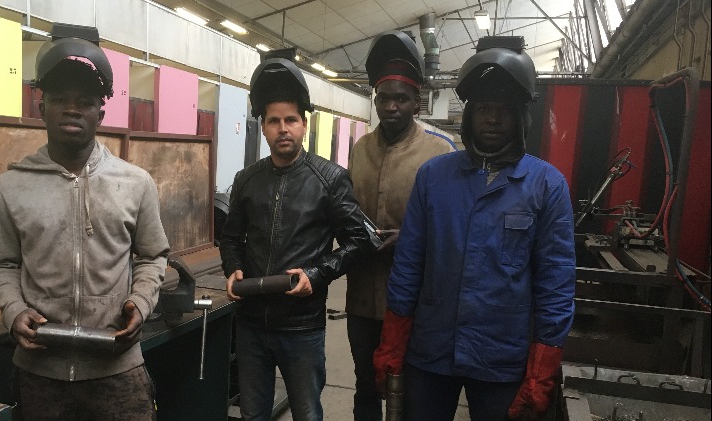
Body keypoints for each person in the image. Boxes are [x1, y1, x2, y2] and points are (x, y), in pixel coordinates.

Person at [373, 36, 576, 420]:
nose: (493, 119)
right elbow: (409, 266)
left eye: (504, 110)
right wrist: (392, 344)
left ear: (521, 117)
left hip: (501, 361)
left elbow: (556, 285)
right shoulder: (434, 177)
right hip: (431, 352)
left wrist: (541, 371)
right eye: (483, 108)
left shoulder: (546, 186)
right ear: (469, 114)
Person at [0, 24, 170, 421]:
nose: (72, 109)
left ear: (100, 112)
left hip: (117, 368)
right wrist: (13, 310)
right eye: (60, 99)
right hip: (40, 373)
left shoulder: (135, 183)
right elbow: (0, 263)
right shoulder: (11, 187)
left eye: (84, 101)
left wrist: (141, 302)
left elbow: (153, 256)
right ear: (41, 107)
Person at [219, 58, 370, 421]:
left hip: (301, 326)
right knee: (253, 414)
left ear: (304, 124)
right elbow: (231, 238)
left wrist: (316, 275)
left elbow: (358, 241)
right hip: (251, 323)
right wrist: (233, 268)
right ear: (263, 126)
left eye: (291, 120)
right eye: (274, 121)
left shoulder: (329, 179)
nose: (282, 129)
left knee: (307, 413)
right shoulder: (246, 180)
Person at [345, 30, 456, 421]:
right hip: (362, 297)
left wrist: (407, 240)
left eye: (401, 99)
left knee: (410, 393)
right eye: (383, 98)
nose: (391, 107)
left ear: (417, 102)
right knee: (365, 386)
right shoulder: (360, 149)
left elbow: (453, 230)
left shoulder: (440, 152)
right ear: (375, 99)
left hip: (415, 304)